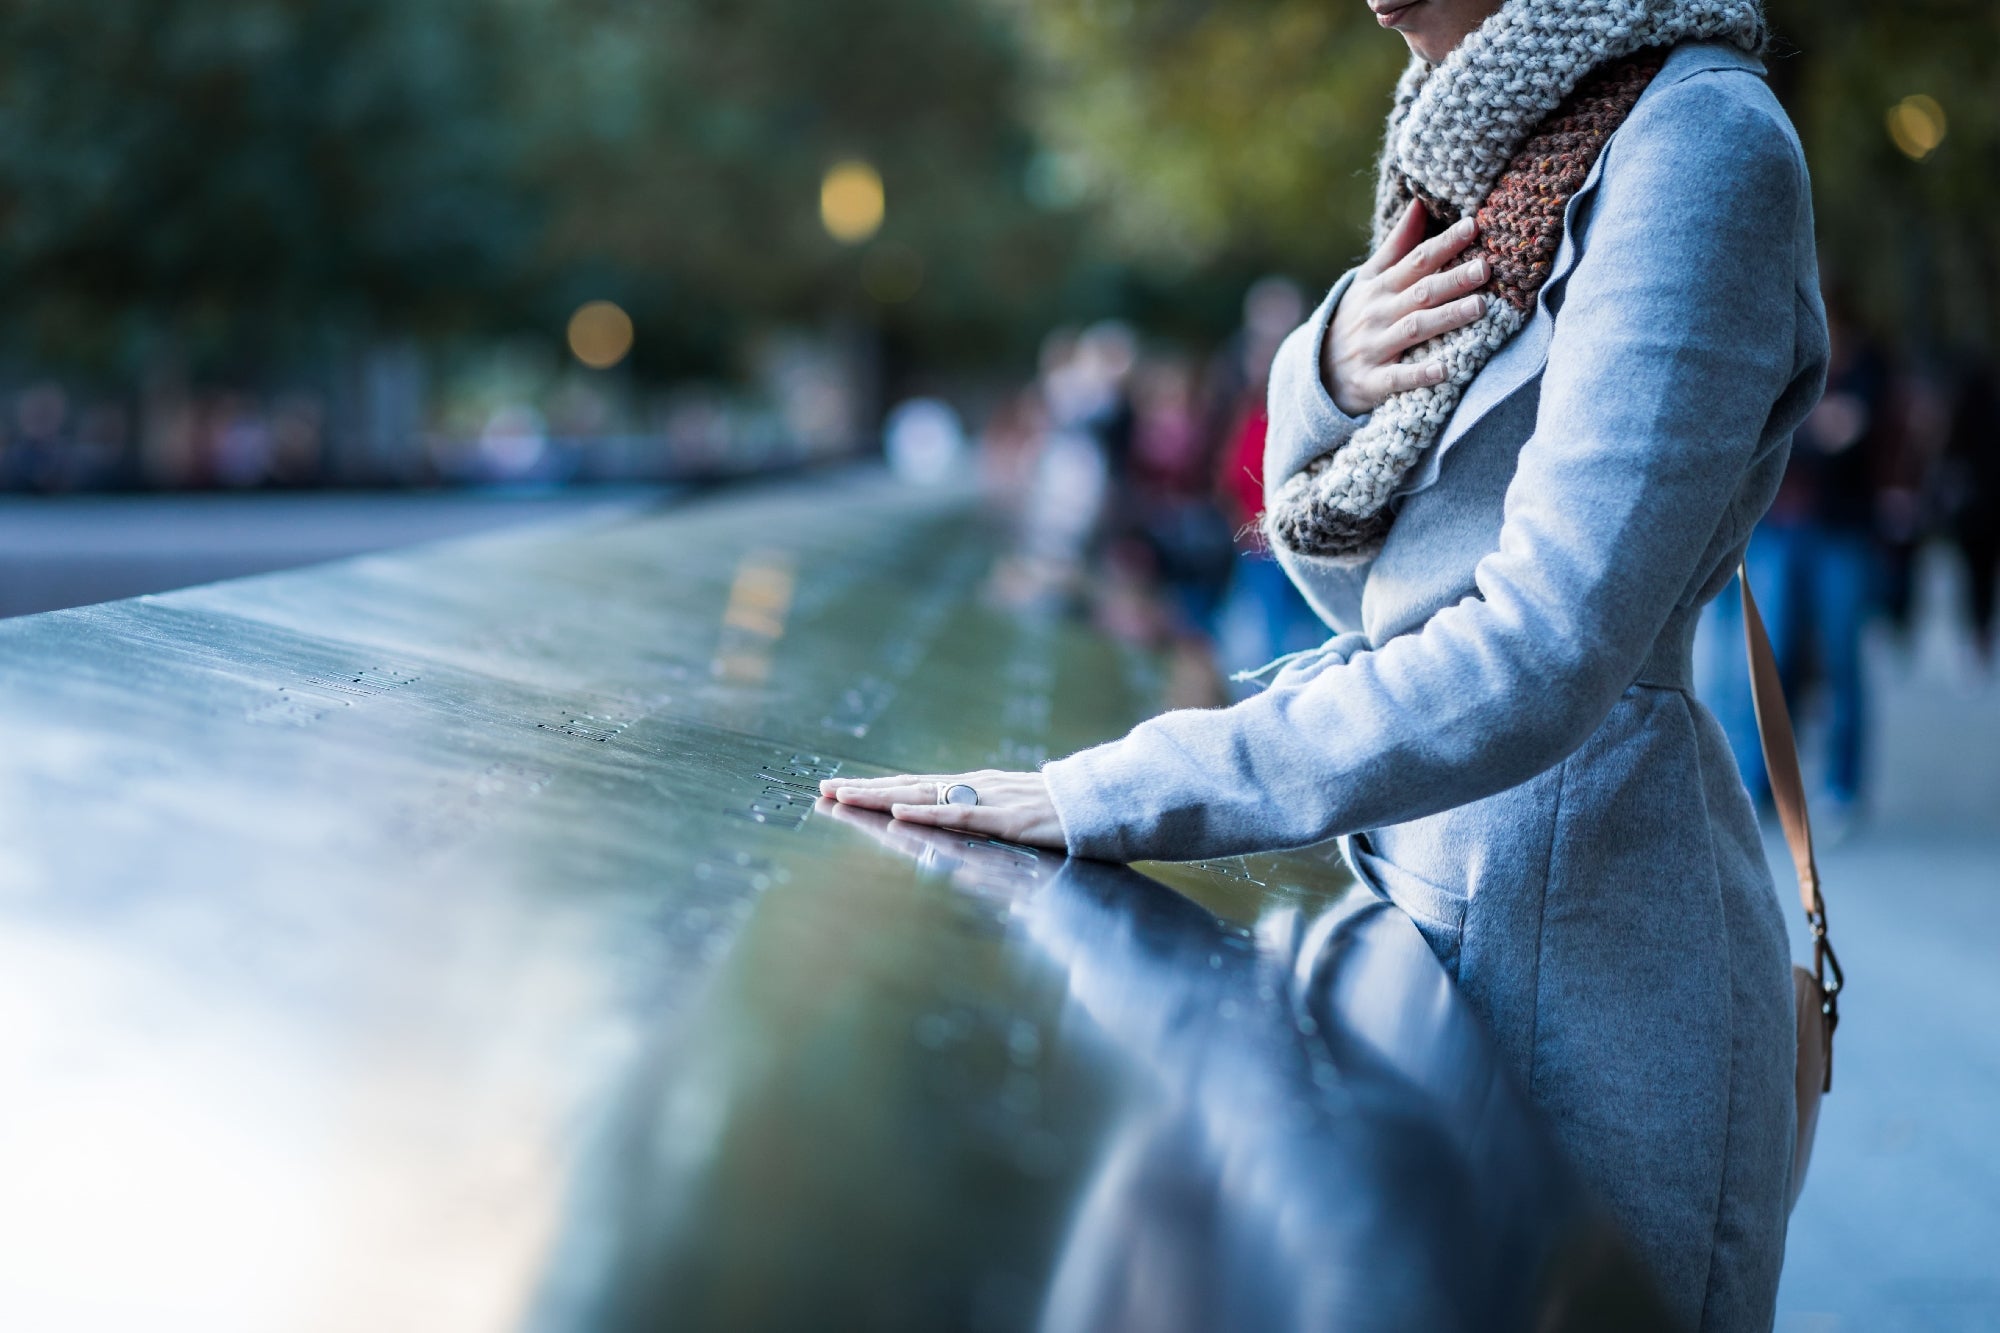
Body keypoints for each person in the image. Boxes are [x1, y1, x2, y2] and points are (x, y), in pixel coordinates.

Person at [826, 1, 1825, 1328]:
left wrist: (1123, 786)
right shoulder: (1482, 147)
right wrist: (1331, 367)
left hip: (1596, 961)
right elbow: (1359, 571)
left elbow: (1547, 644)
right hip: (1415, 897)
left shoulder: (1695, 143)